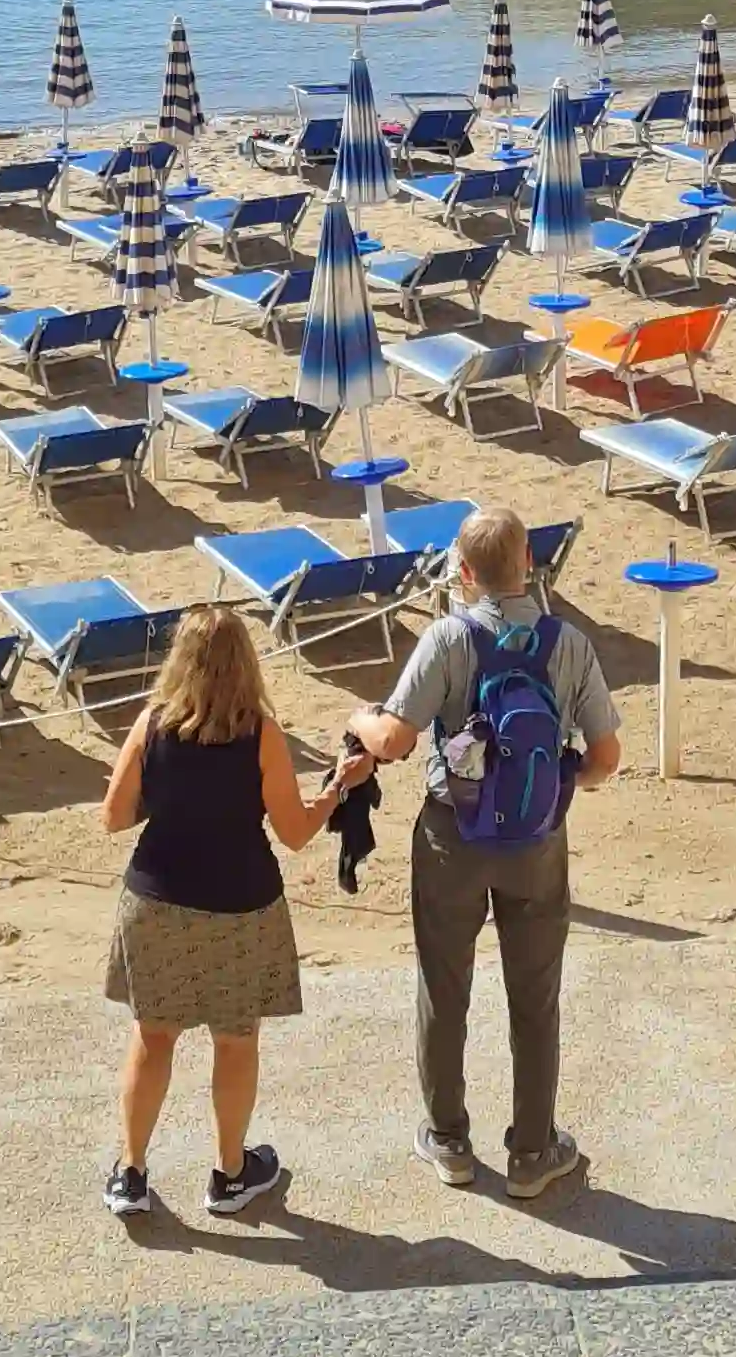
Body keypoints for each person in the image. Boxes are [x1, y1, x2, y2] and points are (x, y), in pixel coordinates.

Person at [342, 509, 620, 1197]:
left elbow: (397, 739)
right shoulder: (569, 643)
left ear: (464, 573)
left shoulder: (447, 638)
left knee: (445, 986)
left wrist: (359, 719)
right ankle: (532, 1152)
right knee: (535, 996)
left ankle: (448, 1139)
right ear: (528, 560)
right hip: (534, 840)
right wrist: (555, 788)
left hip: (452, 834)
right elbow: (607, 757)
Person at [99, 606, 364, 1219]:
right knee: (235, 1041)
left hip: (157, 900)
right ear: (245, 662)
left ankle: (131, 1175)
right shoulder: (260, 732)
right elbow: (295, 832)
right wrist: (337, 788)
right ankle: (230, 1174)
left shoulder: (152, 725)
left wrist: (169, 802)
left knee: (153, 1037)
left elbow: (113, 816)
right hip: (240, 905)